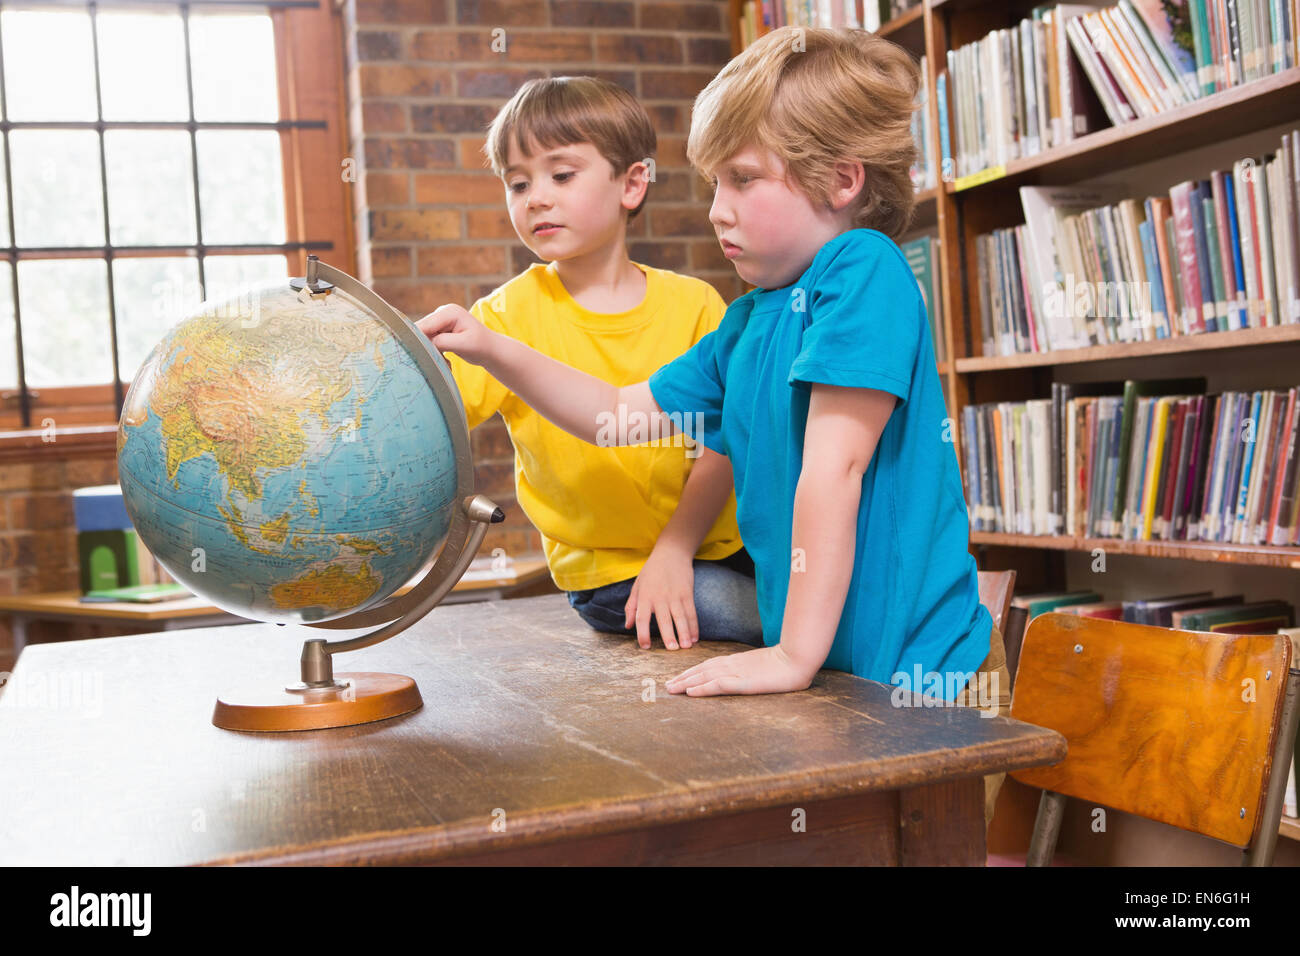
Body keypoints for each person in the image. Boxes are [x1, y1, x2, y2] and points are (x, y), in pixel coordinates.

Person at [420, 30, 1010, 826]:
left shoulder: (865, 271)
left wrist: (794, 655)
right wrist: (492, 346)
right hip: (838, 672)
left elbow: (833, 470)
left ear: (841, 180)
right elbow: (619, 416)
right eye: (711, 181)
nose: (715, 208)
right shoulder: (747, 322)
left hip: (920, 673)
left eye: (741, 178)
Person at [441, 75, 762, 652]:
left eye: (561, 175)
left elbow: (724, 441)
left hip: (720, 547)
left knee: (830, 602)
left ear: (632, 183)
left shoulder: (696, 305)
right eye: (517, 183)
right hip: (613, 577)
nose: (536, 196)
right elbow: (430, 416)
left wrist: (675, 548)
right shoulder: (500, 320)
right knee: (773, 623)